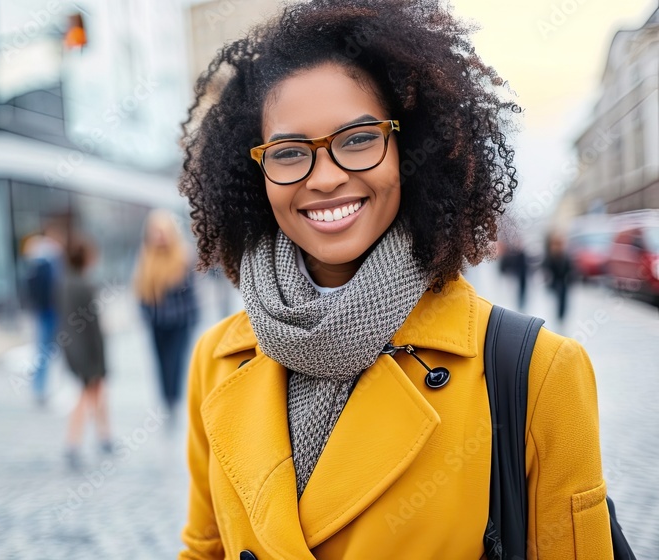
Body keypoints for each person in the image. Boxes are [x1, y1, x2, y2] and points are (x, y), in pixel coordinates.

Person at [176, 1, 614, 558]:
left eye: (359, 139)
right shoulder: (215, 361)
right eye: (289, 152)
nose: (328, 177)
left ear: (410, 148)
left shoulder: (536, 372)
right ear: (254, 172)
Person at [133, 210, 199, 420]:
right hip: (156, 322)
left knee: (176, 361)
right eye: (155, 232)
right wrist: (145, 314)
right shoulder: (145, 259)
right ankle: (166, 399)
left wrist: (192, 317)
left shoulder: (183, 257)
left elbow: (192, 294)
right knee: (160, 362)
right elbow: (140, 292)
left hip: (179, 322)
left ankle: (173, 399)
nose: (159, 236)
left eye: (163, 231)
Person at [58, 235, 112, 468]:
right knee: (87, 395)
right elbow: (93, 327)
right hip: (88, 353)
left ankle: (105, 436)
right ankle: (74, 442)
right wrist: (100, 360)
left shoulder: (63, 283)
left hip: (73, 349)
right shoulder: (84, 285)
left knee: (96, 394)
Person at [22, 226, 64, 407]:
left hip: (42, 310)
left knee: (43, 350)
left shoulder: (36, 257)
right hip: (52, 311)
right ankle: (46, 388)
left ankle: (40, 388)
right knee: (49, 350)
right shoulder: (52, 257)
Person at [544, 232, 574, 322]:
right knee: (557, 300)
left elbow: (570, 268)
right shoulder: (550, 256)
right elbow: (546, 268)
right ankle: (559, 316)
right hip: (554, 282)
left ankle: (561, 316)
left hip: (563, 282)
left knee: (563, 300)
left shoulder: (565, 256)